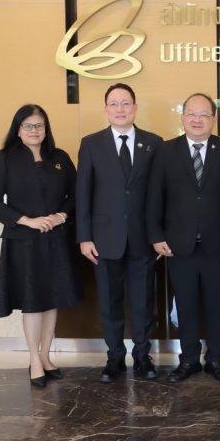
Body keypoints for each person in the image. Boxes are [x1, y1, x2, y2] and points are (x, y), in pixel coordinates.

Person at [0, 104, 81, 388]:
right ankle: (34, 360)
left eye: (39, 125)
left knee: (52, 299)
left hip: (56, 239)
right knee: (33, 301)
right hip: (24, 241)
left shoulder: (59, 157)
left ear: (46, 129)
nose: (34, 130)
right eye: (28, 126)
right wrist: (27, 221)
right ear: (18, 130)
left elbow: (76, 194)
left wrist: (61, 215)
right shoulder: (4, 158)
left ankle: (47, 356)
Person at [147, 92, 220, 383]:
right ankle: (188, 360)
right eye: (191, 114)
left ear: (214, 119)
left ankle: (215, 359)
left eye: (203, 115)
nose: (197, 120)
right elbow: (154, 197)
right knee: (185, 305)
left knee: (217, 304)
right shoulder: (165, 150)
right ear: (183, 117)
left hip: (218, 244)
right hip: (179, 244)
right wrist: (156, 235)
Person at [76, 83, 162, 383]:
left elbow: (159, 194)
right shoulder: (91, 144)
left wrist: (159, 235)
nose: (120, 109)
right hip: (104, 239)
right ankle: (114, 357)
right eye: (114, 104)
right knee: (109, 302)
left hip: (143, 238)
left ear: (135, 108)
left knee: (143, 302)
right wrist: (84, 237)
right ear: (106, 110)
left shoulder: (153, 143)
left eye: (126, 103)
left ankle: (142, 356)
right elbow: (83, 193)